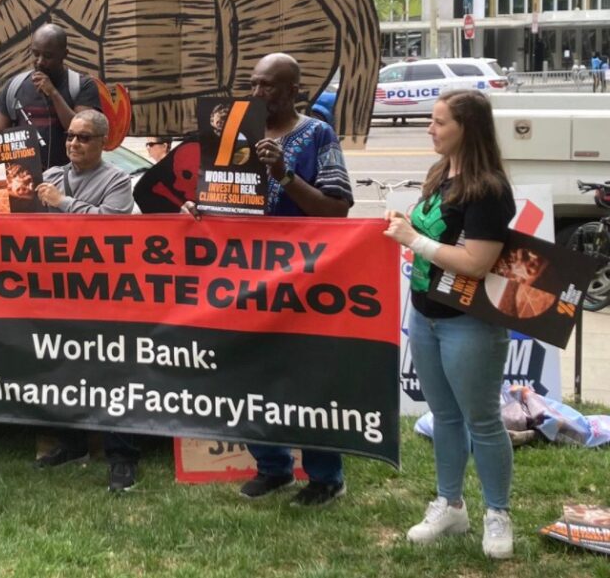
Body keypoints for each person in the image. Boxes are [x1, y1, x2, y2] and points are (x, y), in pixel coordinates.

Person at [183, 53, 354, 507]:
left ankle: (325, 475)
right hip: (243, 278)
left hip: (301, 281)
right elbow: (222, 202)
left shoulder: (318, 134)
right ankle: (272, 466)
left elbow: (337, 209)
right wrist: (199, 210)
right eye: (254, 84)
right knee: (249, 373)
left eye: (269, 87)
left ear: (295, 90)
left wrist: (285, 174)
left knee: (306, 379)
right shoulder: (232, 134)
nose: (258, 94)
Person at [0, 109, 137, 492]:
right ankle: (72, 446)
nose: (74, 143)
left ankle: (121, 457)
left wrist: (63, 203)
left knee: (109, 375)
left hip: (100, 297)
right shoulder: (51, 174)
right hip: (55, 295)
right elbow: (12, 222)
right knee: (60, 371)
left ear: (103, 143)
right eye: (71, 136)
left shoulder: (117, 180)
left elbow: (115, 229)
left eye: (84, 137)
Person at [383, 89, 516, 560]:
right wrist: (409, 225)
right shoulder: (441, 173)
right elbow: (434, 232)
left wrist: (413, 239)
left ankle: (497, 512)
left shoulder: (490, 189)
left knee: (482, 420)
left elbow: (476, 262)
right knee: (444, 417)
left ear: (468, 128)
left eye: (439, 122)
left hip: (469, 322)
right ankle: (450, 504)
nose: (430, 129)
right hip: (425, 315)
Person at [0, 23, 100, 169]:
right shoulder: (14, 86)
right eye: (36, 54)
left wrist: (53, 93)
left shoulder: (83, 86)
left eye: (48, 56)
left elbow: (81, 131)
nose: (40, 61)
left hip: (70, 178)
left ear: (64, 54)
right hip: (27, 180)